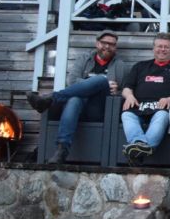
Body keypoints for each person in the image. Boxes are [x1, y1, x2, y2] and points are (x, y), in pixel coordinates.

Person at [27, 30, 129, 164]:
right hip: (78, 107)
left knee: (101, 80)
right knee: (75, 99)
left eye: (112, 44)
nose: (108, 46)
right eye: (104, 43)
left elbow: (127, 90)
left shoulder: (120, 65)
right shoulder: (84, 59)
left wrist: (117, 91)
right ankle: (62, 150)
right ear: (97, 44)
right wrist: (90, 84)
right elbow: (72, 81)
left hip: (99, 109)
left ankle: (51, 99)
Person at [120, 33, 170, 164]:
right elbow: (126, 88)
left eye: (166, 47)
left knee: (162, 115)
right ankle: (140, 144)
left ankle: (138, 150)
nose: (162, 49)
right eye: (159, 46)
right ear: (153, 48)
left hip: (162, 108)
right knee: (126, 115)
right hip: (138, 107)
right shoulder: (140, 66)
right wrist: (129, 96)